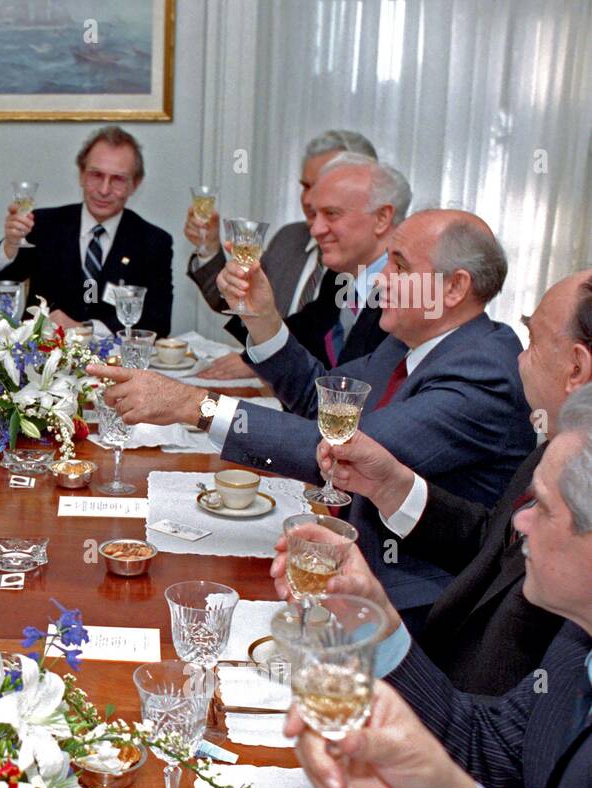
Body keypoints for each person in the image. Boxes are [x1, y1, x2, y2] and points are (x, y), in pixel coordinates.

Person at [88, 209, 535, 625]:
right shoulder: (410, 343)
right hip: (344, 552)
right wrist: (261, 318)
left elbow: (343, 452)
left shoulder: (482, 372)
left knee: (184, 611)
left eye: (399, 267)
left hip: (414, 604)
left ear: (454, 288)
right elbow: (320, 401)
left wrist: (194, 406)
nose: (381, 281)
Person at [276, 384, 592, 788]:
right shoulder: (575, 644)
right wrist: (375, 621)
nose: (520, 524)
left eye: (540, 507)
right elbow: (490, 750)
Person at [314, 271, 592, 693]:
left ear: (576, 368)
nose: (519, 358)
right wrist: (392, 486)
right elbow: (493, 543)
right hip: (446, 690)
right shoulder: (555, 442)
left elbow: (510, 736)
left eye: (532, 341)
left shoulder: (575, 478)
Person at [188, 130, 379, 380]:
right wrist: (209, 248)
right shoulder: (288, 240)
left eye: (323, 186)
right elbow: (245, 308)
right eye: (306, 186)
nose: (310, 199)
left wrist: (259, 361)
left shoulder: (385, 274)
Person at [0, 125, 174, 338]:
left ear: (135, 184)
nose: (104, 190)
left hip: (114, 364)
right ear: (81, 175)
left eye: (118, 179)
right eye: (96, 175)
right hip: (42, 358)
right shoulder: (44, 226)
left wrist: (85, 329)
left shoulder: (153, 242)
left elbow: (158, 323)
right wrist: (10, 245)